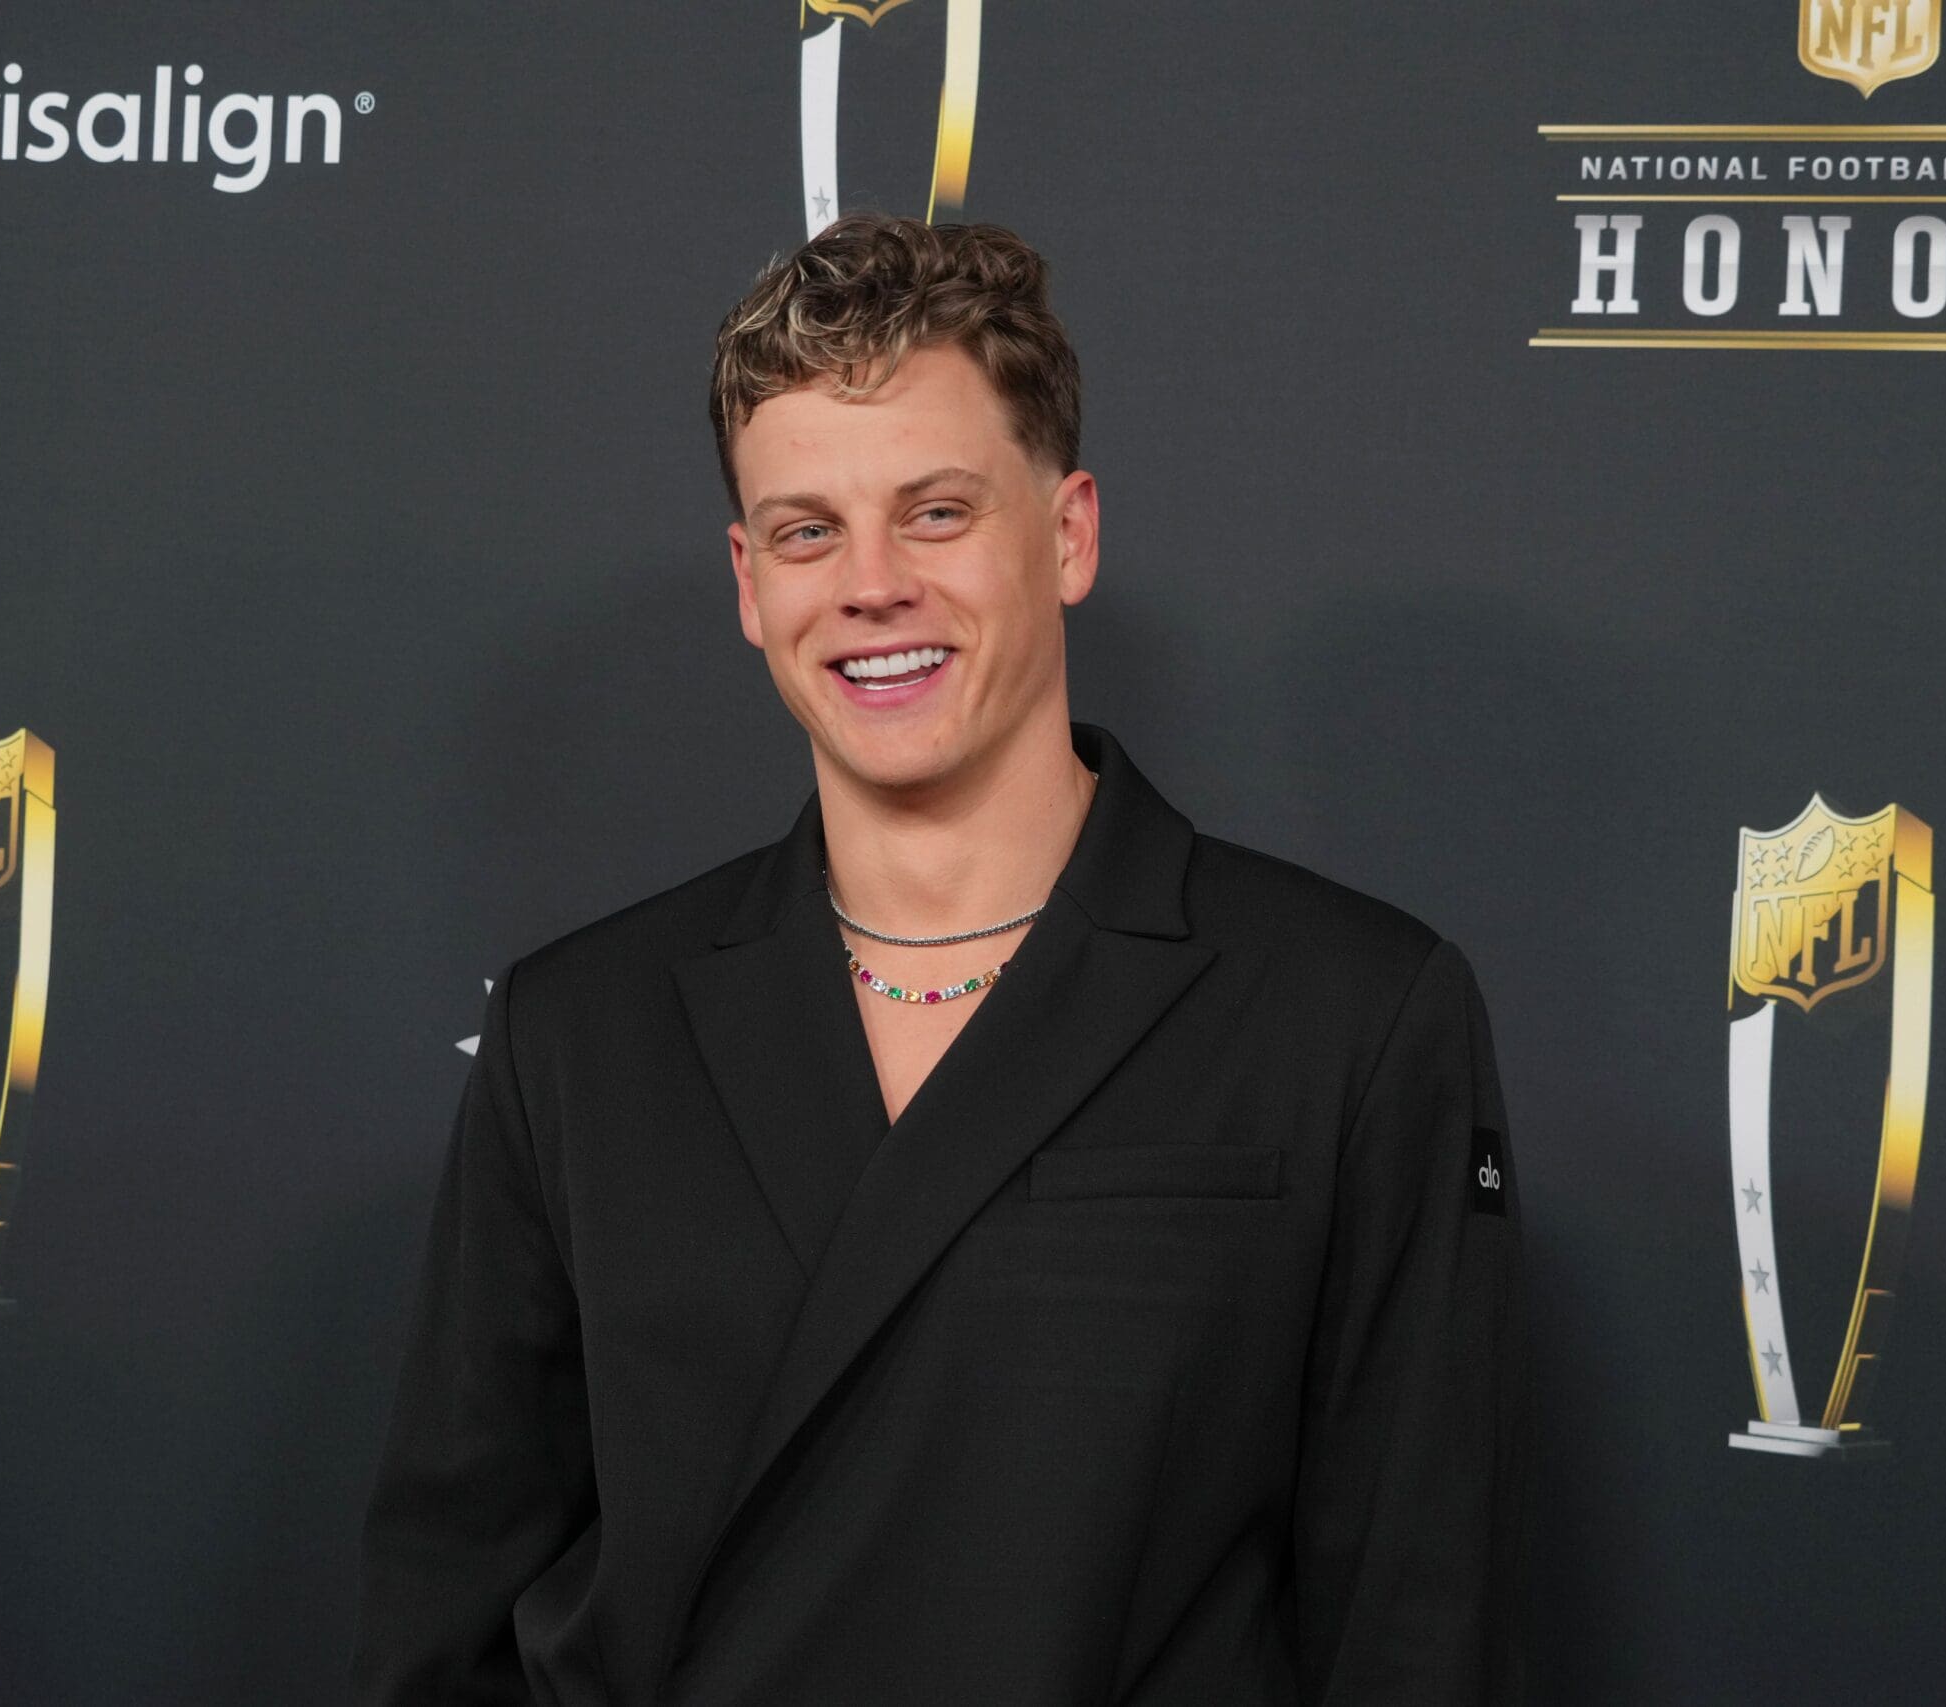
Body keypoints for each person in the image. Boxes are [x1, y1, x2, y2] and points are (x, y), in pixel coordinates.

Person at [351, 212, 1528, 1705]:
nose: (871, 585)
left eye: (937, 512)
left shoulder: (1350, 1014)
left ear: (1071, 532)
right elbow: (443, 1623)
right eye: (806, 531)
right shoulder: (577, 1031)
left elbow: (1417, 1631)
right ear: (747, 582)